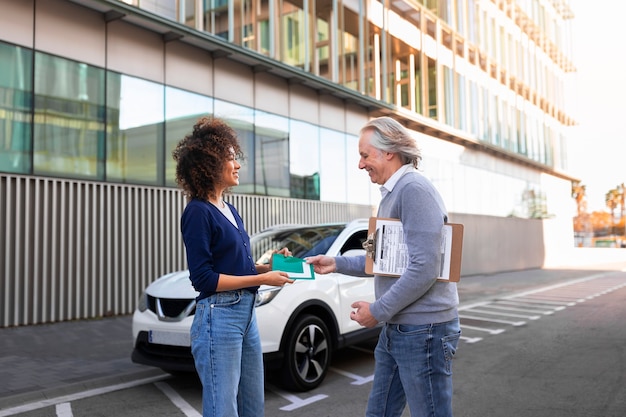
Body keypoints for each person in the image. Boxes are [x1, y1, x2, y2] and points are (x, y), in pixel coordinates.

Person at [306, 116, 461, 417]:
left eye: (365, 155)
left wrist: (376, 311)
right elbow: (383, 261)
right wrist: (335, 262)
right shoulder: (393, 194)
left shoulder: (413, 190)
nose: (361, 165)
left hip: (423, 331)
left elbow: (424, 268)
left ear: (388, 151)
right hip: (399, 329)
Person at [172, 116, 294, 417]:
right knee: (222, 409)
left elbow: (239, 267)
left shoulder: (230, 209)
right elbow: (203, 279)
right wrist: (261, 280)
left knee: (253, 405)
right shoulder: (197, 213)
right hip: (219, 317)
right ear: (210, 164)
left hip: (246, 315)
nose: (237, 165)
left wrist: (267, 266)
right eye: (231, 159)